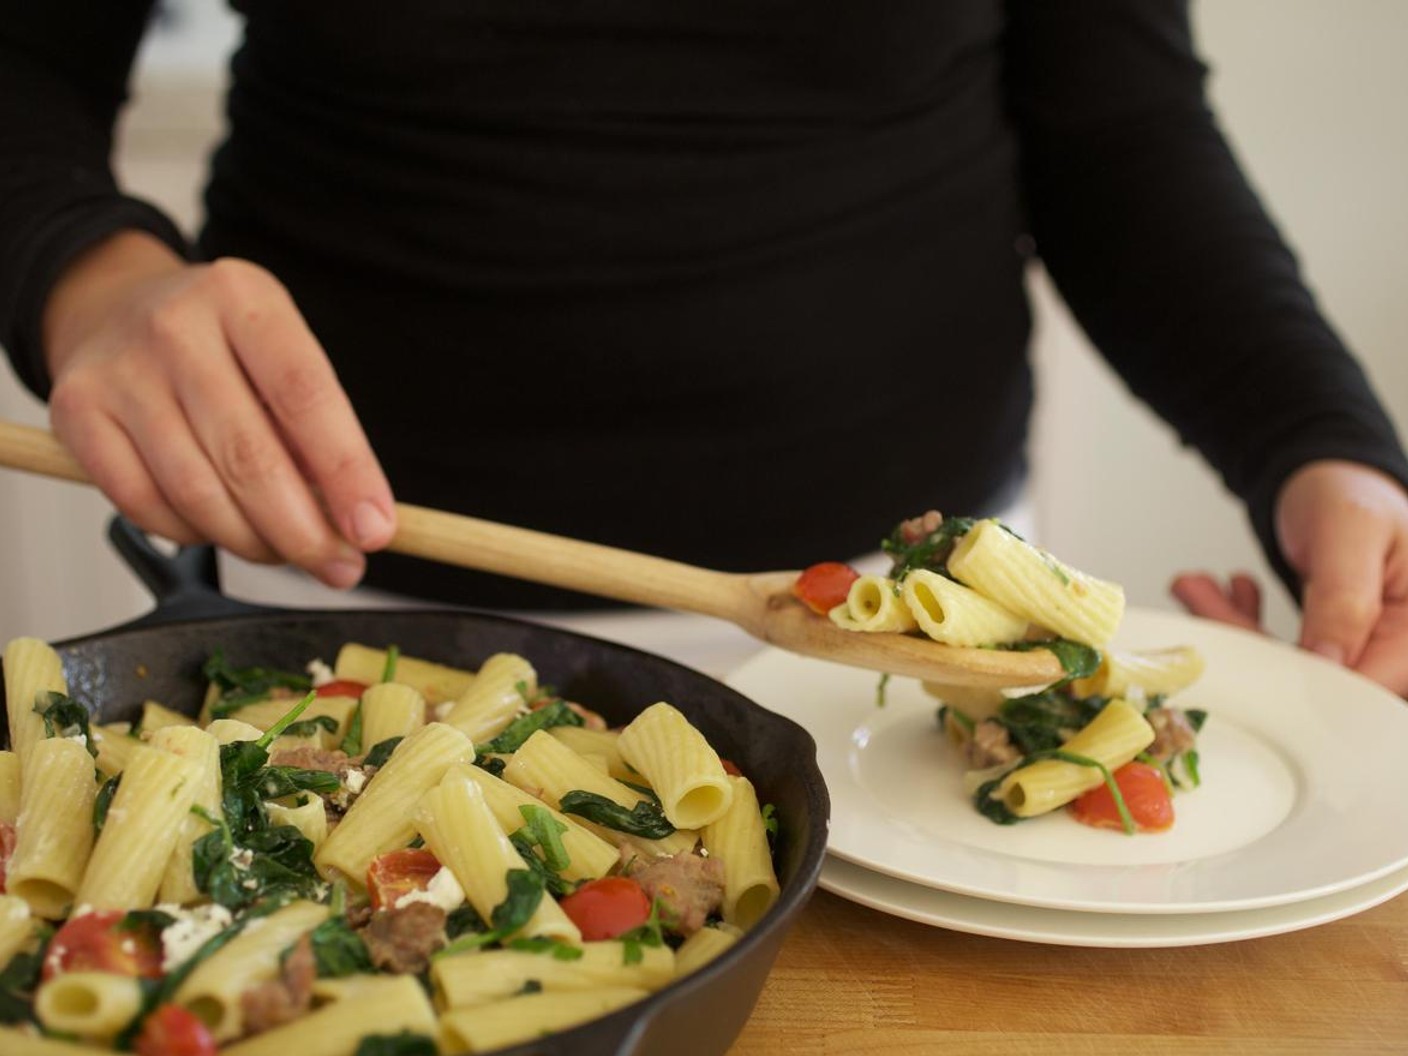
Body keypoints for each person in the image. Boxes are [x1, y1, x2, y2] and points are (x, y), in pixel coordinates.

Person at [2, 3, 1406, 692]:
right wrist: (86, 265)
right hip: (339, 603)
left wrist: (1324, 449)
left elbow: (1116, 124)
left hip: (900, 637)